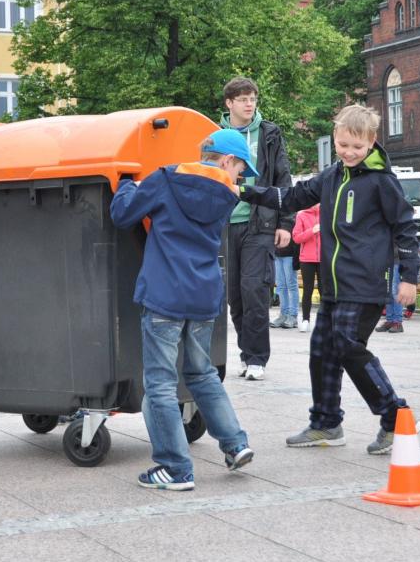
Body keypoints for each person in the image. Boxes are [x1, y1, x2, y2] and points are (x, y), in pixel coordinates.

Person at [242, 104, 420, 455]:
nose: (349, 152)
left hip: (365, 283)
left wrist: (409, 278)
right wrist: (244, 190)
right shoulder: (332, 176)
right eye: (342, 145)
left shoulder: (382, 181)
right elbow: (289, 196)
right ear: (335, 140)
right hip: (334, 286)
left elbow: (405, 228)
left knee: (348, 348)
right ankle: (326, 423)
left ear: (371, 141)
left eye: (356, 146)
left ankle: (395, 417)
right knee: (322, 351)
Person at [110, 129, 255, 490]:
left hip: (166, 294)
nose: (239, 177)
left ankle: (174, 468)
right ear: (225, 160)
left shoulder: (165, 178)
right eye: (241, 168)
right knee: (201, 373)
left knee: (159, 383)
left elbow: (123, 214)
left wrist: (127, 183)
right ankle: (235, 444)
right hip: (203, 296)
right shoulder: (227, 195)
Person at [220, 76, 294, 381]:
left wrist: (285, 222)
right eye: (243, 99)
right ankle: (245, 351)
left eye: (253, 99)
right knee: (234, 295)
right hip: (225, 224)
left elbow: (283, 179)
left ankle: (257, 358)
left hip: (260, 222)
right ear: (229, 104)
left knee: (255, 290)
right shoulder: (215, 136)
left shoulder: (269, 134)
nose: (250, 104)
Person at [293, 204, 321, 334]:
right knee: (307, 290)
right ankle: (305, 320)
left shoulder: (327, 212)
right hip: (306, 259)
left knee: (325, 291)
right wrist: (312, 231)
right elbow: (296, 238)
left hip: (324, 259)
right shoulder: (301, 214)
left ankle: (325, 321)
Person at [270, 234, 300, 329]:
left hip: (290, 255)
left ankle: (293, 316)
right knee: (280, 286)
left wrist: (296, 259)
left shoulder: (293, 219)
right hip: (277, 255)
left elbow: (296, 238)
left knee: (291, 285)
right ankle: (283, 314)